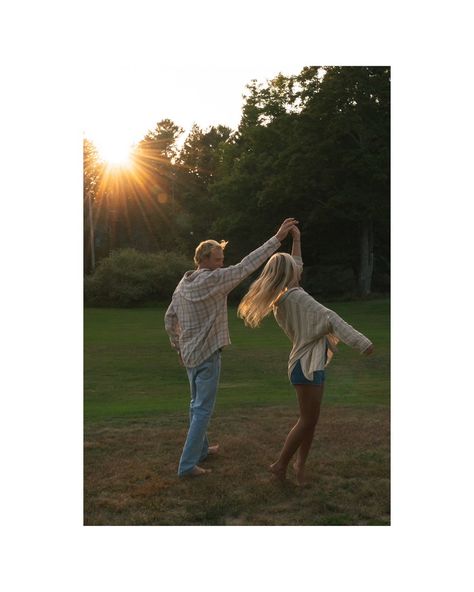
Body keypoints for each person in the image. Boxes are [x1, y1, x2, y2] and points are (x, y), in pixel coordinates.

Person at [237, 225, 374, 486]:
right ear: (290, 274)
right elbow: (330, 317)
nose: (300, 268)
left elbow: (295, 263)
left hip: (308, 363)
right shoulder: (298, 298)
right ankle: (280, 465)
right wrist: (362, 343)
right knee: (307, 420)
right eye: (295, 268)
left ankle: (299, 466)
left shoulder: (283, 297)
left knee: (311, 420)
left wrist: (296, 240)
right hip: (306, 365)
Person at [164, 218, 298, 477]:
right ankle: (187, 465)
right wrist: (278, 238)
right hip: (207, 355)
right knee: (202, 409)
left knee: (195, 405)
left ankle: (200, 451)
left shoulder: (183, 285)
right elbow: (248, 264)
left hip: (189, 355)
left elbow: (169, 318)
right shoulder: (215, 280)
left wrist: (178, 347)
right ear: (203, 259)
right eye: (217, 259)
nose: (222, 263)